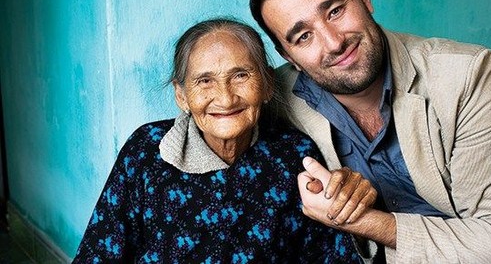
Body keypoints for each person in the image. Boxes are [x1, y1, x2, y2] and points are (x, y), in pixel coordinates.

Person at [249, 0, 491, 263]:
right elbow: (211, 112)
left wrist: (362, 220)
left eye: (335, 11)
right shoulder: (278, 96)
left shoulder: (468, 76)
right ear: (288, 57)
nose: (334, 42)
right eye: (303, 37)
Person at [72, 18, 371, 263]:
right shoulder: (147, 151)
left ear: (267, 85)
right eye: (205, 81)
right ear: (181, 95)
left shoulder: (294, 154)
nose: (226, 98)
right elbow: (99, 252)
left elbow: (329, 255)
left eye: (240, 75)